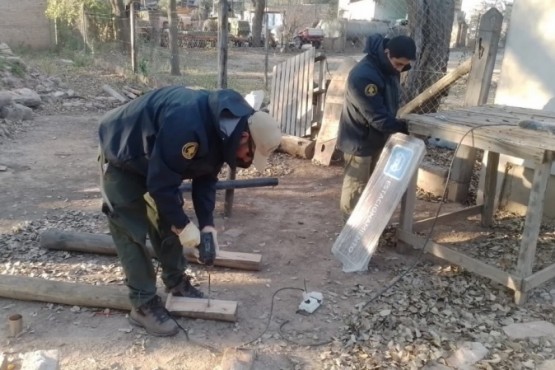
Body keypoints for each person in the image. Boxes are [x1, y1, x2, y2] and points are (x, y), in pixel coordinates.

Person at [98, 86, 282, 337]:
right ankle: (142, 304)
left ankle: (176, 281)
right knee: (132, 230)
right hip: (125, 154)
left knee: (168, 220)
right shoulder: (187, 125)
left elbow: (206, 178)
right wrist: (183, 226)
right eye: (250, 155)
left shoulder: (226, 129)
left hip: (158, 161)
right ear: (244, 138)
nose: (248, 163)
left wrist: (207, 226)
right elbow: (162, 186)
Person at [336, 34, 416, 221]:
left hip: (378, 138)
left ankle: (368, 224)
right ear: (387, 52)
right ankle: (352, 231)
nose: (400, 69)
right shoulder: (364, 76)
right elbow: (378, 118)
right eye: (398, 64)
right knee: (356, 187)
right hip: (359, 140)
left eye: (404, 66)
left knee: (374, 184)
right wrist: (406, 127)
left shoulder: (388, 67)